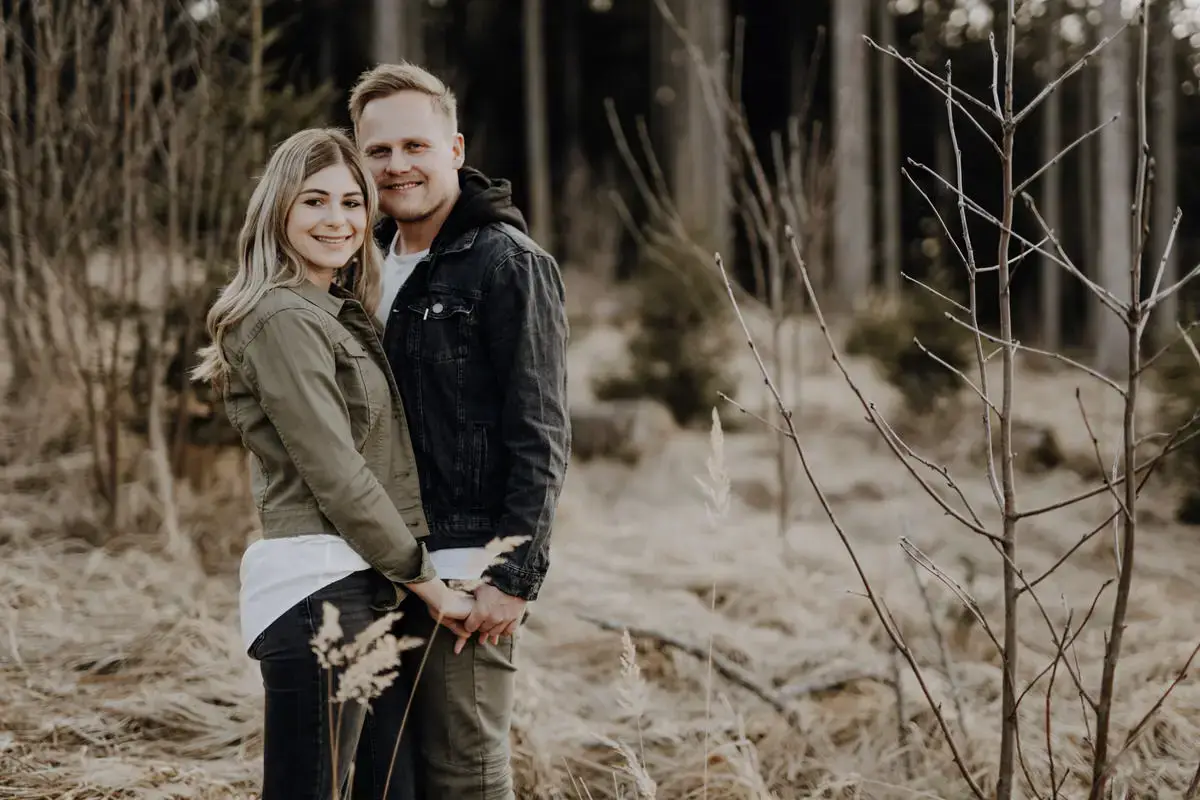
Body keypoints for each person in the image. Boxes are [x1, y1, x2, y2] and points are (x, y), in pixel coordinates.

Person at [191, 127, 474, 800]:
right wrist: (430, 584)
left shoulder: (332, 311)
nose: (337, 220)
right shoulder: (280, 317)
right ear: (279, 209)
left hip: (364, 585)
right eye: (314, 201)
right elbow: (337, 473)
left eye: (352, 203)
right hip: (318, 589)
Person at [346, 62, 571, 799]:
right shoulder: (358, 262)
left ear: (455, 148)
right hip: (372, 557)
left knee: (464, 773)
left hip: (465, 565)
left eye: (415, 145)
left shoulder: (507, 265)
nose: (397, 166)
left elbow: (540, 432)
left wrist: (513, 576)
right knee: (385, 774)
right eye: (378, 151)